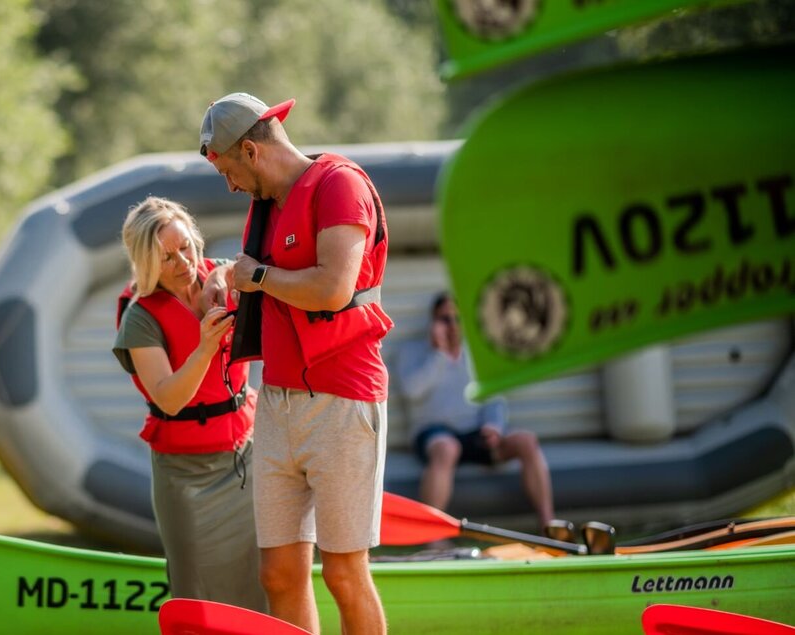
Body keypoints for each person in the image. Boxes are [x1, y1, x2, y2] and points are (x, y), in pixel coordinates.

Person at [201, 93, 390, 634]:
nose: (230, 186)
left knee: (344, 574)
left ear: (252, 152)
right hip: (277, 402)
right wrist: (224, 274)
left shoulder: (339, 185)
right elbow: (264, 266)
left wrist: (256, 277)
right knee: (279, 574)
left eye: (229, 171)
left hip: (342, 400)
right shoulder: (270, 201)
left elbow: (333, 289)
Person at [111, 196, 267, 612]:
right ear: (146, 262)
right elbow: (169, 398)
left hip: (245, 457)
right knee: (196, 591)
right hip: (185, 475)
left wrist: (220, 272)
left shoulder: (217, 275)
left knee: (259, 580)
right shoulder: (140, 318)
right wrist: (204, 349)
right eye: (167, 257)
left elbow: (243, 267)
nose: (183, 261)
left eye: (186, 247)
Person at [396, 292, 555, 531]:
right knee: (447, 448)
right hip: (434, 434)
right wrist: (439, 354)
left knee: (526, 441)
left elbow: (495, 397)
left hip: (476, 433)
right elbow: (412, 391)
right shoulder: (412, 351)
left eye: (457, 319)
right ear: (433, 321)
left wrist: (494, 426)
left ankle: (549, 524)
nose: (452, 325)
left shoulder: (477, 353)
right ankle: (432, 535)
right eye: (445, 319)